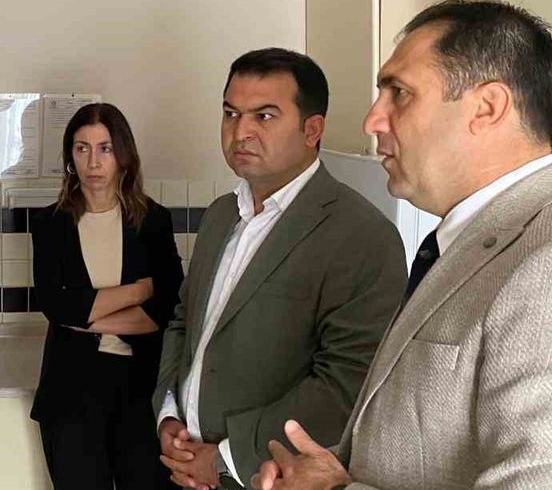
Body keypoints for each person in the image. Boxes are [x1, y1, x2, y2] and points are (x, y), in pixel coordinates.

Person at [251, 0, 552, 490]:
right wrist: (327, 470)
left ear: (487, 107)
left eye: (399, 93)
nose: (372, 120)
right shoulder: (470, 240)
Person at [154, 49, 406, 489]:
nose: (241, 132)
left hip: (271, 477)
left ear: (312, 129)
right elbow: (183, 321)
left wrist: (226, 457)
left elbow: (347, 384)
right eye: (231, 114)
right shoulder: (219, 216)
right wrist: (169, 413)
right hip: (186, 464)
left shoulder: (362, 235)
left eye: (264, 116)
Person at [29, 103, 183, 490]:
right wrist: (138, 290)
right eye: (82, 148)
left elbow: (167, 308)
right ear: (70, 157)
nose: (93, 162)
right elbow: (56, 305)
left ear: (123, 155)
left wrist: (88, 317)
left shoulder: (154, 220)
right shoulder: (50, 223)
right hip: (71, 391)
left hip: (141, 387)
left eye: (105, 148)